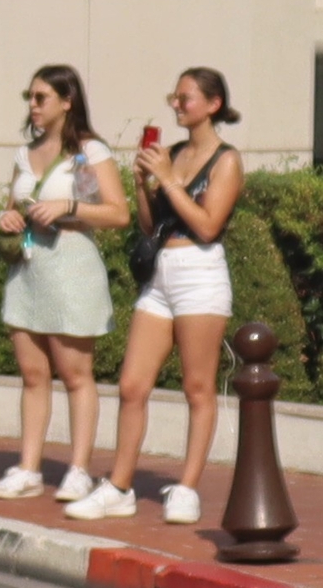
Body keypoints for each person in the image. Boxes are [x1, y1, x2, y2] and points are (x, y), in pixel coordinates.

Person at [67, 68, 244, 523]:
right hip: (161, 274)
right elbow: (151, 226)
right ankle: (120, 487)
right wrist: (144, 184)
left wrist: (168, 179)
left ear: (213, 104)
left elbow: (206, 225)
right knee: (132, 385)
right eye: (175, 97)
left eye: (186, 98)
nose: (177, 105)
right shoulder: (174, 153)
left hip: (200, 274)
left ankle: (187, 487)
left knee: (197, 386)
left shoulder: (226, 160)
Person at [0, 66, 130, 502]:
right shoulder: (22, 154)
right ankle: (28, 467)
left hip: (70, 263)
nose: (33, 105)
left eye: (41, 97)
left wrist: (69, 206)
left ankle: (79, 469)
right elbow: (12, 208)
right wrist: (7, 217)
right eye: (29, 96)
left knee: (75, 373)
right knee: (33, 373)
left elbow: (118, 213)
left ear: (67, 101)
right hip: (29, 269)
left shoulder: (89, 152)